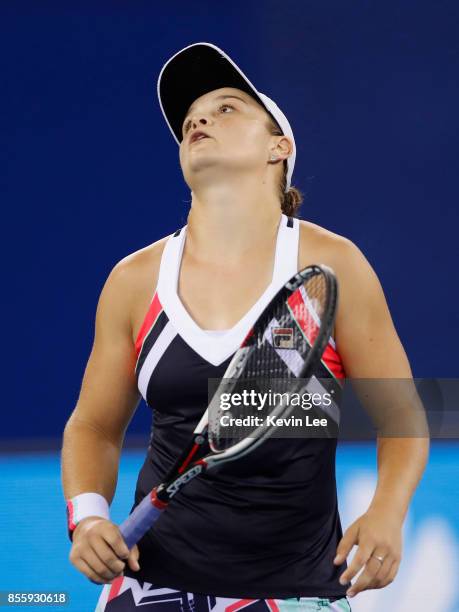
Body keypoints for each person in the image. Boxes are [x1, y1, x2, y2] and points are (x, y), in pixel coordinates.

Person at [61, 43, 429, 611]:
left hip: (293, 591)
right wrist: (87, 517)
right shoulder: (134, 281)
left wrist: (387, 510)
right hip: (149, 587)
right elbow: (94, 426)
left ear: (278, 148)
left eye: (227, 107)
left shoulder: (333, 267)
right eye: (190, 120)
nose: (200, 120)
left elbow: (402, 415)